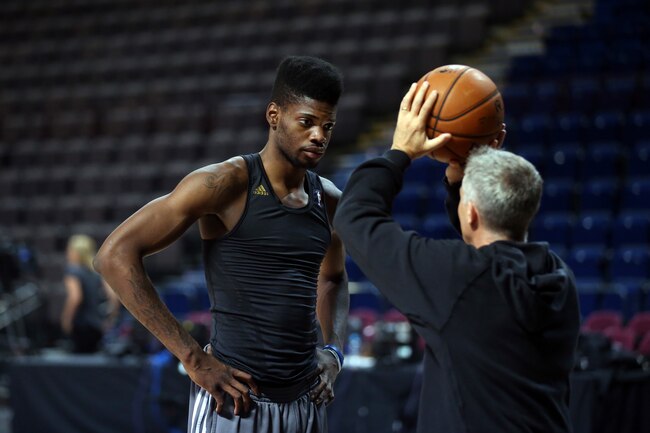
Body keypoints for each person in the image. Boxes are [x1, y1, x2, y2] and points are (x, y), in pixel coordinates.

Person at [94, 55, 349, 433]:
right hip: (235, 403)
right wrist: (193, 359)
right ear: (274, 115)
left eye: (327, 125)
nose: (319, 136)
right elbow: (114, 256)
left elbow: (333, 278)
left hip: (306, 402)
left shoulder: (327, 199)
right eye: (307, 122)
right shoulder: (226, 183)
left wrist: (335, 351)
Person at [333, 82, 580, 433]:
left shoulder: (459, 279)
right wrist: (467, 172)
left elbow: (354, 217)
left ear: (472, 213)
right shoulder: (559, 279)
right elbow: (483, 241)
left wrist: (399, 151)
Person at [61, 234, 119, 353]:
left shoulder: (72, 270)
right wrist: (110, 319)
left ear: (75, 252)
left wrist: (66, 319)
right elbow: (113, 296)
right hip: (97, 326)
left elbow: (75, 297)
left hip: (80, 326)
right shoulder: (96, 272)